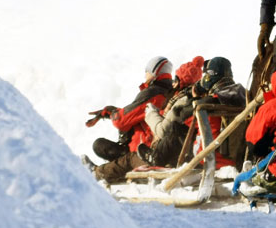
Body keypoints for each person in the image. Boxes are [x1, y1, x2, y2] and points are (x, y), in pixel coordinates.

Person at [140, 56, 246, 167]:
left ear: (211, 75)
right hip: (236, 156)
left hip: (208, 156)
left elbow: (183, 117)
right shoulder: (242, 96)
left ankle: (157, 158)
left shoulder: (210, 102)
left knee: (177, 129)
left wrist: (195, 99)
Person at [83, 56, 174, 184]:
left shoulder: (152, 94)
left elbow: (122, 121)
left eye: (147, 71)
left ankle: (97, 173)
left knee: (124, 157)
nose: (145, 74)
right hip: (156, 147)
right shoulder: (169, 92)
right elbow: (135, 114)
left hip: (147, 151)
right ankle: (114, 169)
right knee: (100, 146)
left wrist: (110, 112)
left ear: (155, 72)